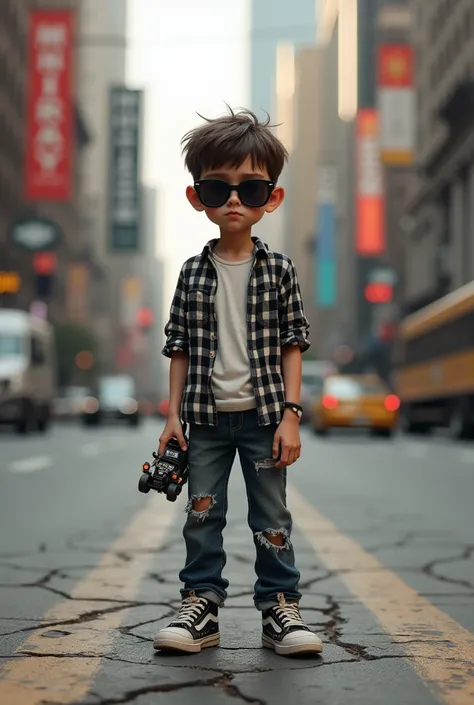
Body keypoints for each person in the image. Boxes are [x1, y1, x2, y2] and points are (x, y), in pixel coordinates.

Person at [153, 107, 323, 658]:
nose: (233, 200)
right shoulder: (191, 271)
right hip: (203, 418)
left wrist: (292, 414)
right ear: (195, 196)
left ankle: (280, 608)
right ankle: (200, 606)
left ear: (271, 198)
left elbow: (291, 344)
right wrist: (171, 415)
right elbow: (177, 347)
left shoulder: (279, 269)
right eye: (216, 187)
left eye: (250, 189)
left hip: (265, 417)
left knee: (271, 516)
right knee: (202, 513)